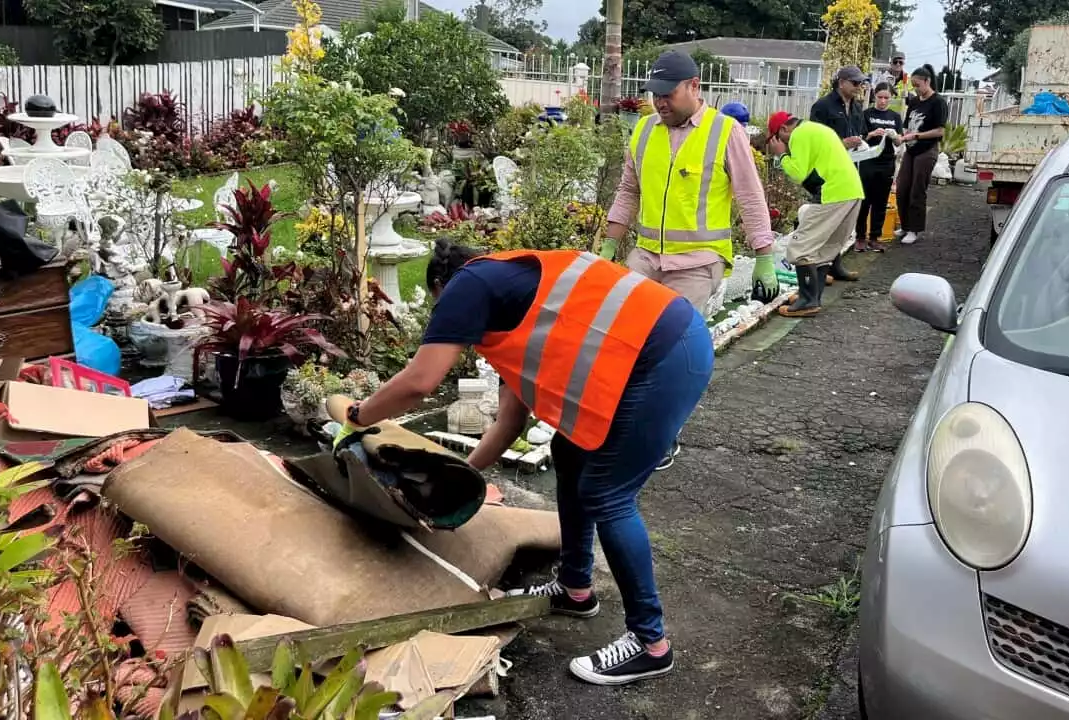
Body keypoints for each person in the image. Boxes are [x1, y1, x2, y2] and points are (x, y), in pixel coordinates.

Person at [336, 241, 713, 687]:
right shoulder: (509, 303)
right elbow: (510, 421)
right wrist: (461, 479)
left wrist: (358, 416)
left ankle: (651, 645)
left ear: (442, 287)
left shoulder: (467, 286)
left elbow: (421, 381)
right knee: (568, 451)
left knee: (607, 494)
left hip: (667, 356)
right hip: (662, 348)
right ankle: (575, 589)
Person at [603, 49, 776, 470]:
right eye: (654, 95)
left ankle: (662, 435)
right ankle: (623, 424)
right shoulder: (644, 131)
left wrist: (765, 255)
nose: (659, 102)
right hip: (646, 256)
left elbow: (751, 196)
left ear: (694, 86)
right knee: (620, 337)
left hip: (698, 262)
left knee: (668, 351)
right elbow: (629, 190)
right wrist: (610, 244)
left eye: (668, 94)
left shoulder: (724, 132)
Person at [765, 111, 863, 318]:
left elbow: (798, 173)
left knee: (801, 247)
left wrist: (781, 154)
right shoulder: (816, 129)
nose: (781, 142)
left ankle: (807, 300)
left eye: (778, 138)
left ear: (784, 129)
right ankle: (811, 296)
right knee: (824, 249)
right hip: (852, 191)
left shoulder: (799, 134)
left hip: (833, 193)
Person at [810, 65, 873, 281]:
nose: (859, 87)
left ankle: (834, 264)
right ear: (841, 82)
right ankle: (817, 268)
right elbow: (815, 140)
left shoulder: (856, 108)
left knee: (842, 221)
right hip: (827, 171)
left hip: (849, 169)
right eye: (855, 83)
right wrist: (841, 143)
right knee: (825, 219)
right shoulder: (822, 106)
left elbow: (861, 132)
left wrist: (860, 142)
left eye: (861, 83)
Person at [894, 64, 947, 246]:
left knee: (917, 189)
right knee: (902, 188)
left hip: (927, 150)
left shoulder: (938, 102)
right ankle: (905, 224)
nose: (916, 89)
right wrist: (901, 137)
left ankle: (914, 229)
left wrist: (916, 135)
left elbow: (940, 131)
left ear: (927, 81)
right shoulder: (915, 102)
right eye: (913, 86)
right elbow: (908, 125)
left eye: (918, 85)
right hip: (911, 149)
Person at [855, 83, 904, 253]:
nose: (883, 101)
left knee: (881, 201)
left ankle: (875, 237)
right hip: (868, 160)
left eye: (886, 98)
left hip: (886, 162)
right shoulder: (866, 114)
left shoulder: (895, 117)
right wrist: (871, 134)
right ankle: (860, 237)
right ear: (875, 96)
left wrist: (894, 136)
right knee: (864, 200)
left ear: (891, 98)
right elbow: (859, 138)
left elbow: (899, 141)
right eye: (880, 97)